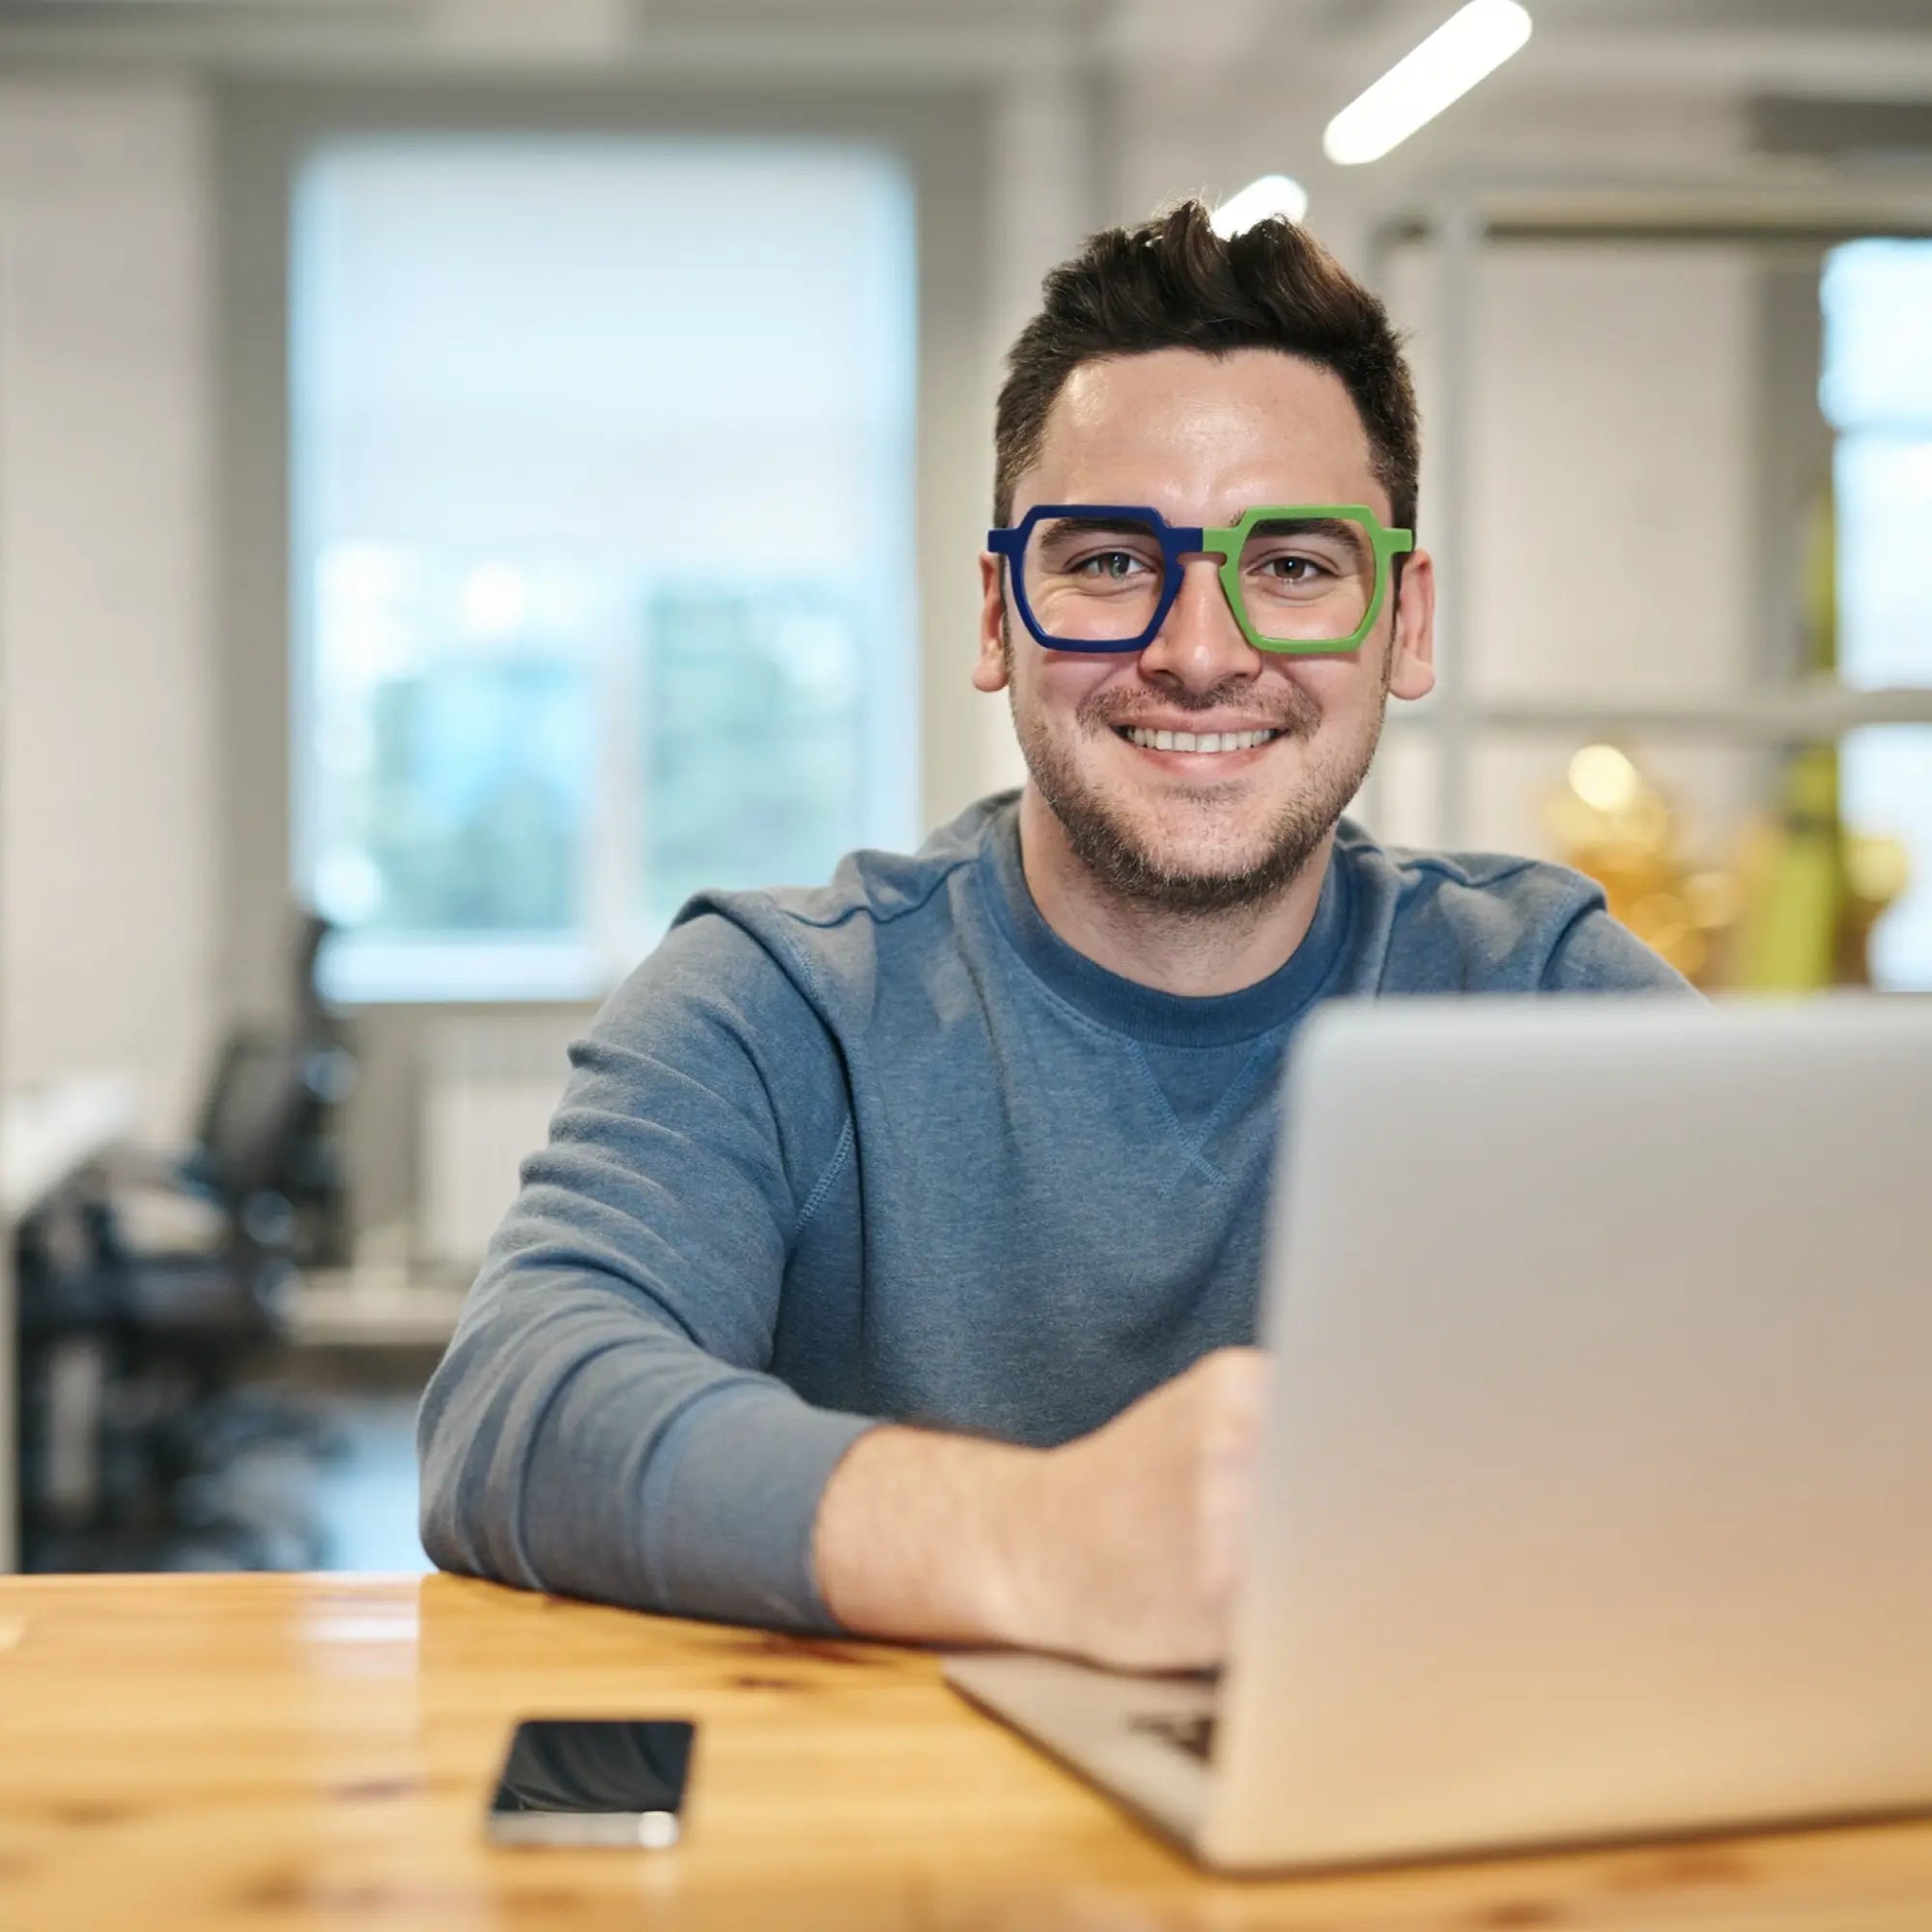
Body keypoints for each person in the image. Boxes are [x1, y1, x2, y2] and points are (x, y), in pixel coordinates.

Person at [417, 202, 1689, 1671]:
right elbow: (522, 1407)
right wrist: (1040, 1540)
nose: (1202, 654)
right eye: (1103, 564)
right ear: (994, 613)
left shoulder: (1548, 1002)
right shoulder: (779, 1008)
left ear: (1401, 621)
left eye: (1291, 567)